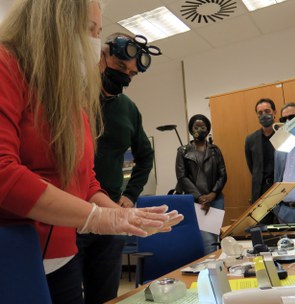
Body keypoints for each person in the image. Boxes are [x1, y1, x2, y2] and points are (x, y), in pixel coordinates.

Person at [0, 1, 183, 303]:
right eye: (89, 30)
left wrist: (122, 214)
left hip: (63, 256)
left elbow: (85, 182)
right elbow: (4, 173)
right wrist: (96, 218)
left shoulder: (72, 99)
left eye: (98, 32)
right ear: (51, 22)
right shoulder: (7, 65)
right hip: (15, 258)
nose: (94, 44)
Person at [76, 31, 161, 304]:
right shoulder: (73, 97)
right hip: (72, 211)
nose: (125, 76)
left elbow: (145, 156)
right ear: (102, 55)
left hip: (112, 213)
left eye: (131, 74)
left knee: (105, 294)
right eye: (120, 67)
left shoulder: (128, 109)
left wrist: (130, 195)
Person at [175, 114, 227, 254]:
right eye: (196, 127)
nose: (200, 130)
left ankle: (214, 268)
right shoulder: (183, 151)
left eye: (203, 127)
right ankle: (209, 270)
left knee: (214, 239)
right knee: (205, 240)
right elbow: (182, 177)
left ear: (208, 129)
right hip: (194, 201)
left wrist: (212, 194)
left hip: (215, 199)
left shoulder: (215, 150)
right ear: (191, 130)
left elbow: (223, 175)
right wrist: (200, 197)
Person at [245, 98, 277, 224]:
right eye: (260, 113)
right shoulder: (251, 139)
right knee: (263, 230)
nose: (264, 115)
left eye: (267, 111)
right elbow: (252, 167)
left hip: (281, 188)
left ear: (274, 112)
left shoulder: (285, 134)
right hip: (261, 191)